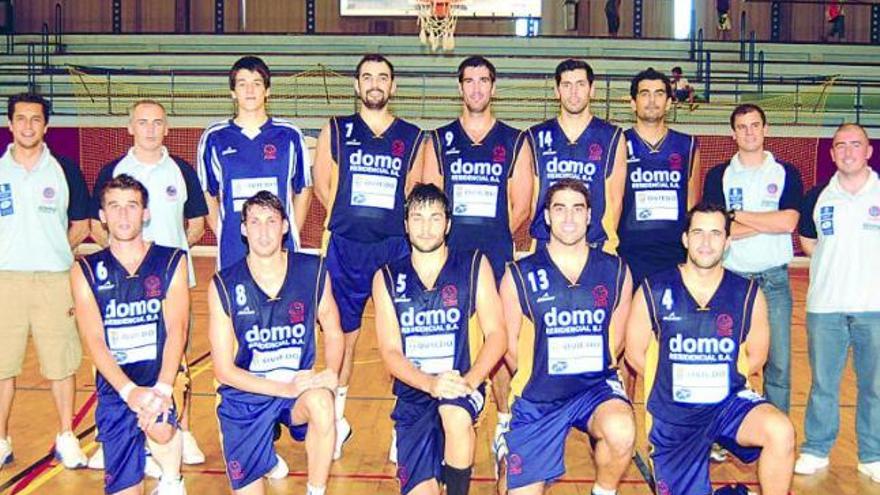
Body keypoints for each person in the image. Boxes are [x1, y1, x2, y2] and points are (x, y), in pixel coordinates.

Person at [625, 202, 795, 495]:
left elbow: (757, 355)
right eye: (698, 232)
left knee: (781, 431)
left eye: (716, 233)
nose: (706, 242)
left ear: (727, 241)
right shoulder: (653, 289)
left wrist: (716, 385)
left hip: (728, 403)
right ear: (685, 239)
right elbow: (634, 352)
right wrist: (678, 385)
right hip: (674, 414)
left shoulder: (748, 293)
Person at [420, 55, 532, 472]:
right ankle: (424, 418)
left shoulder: (513, 140)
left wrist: (491, 235)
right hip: (447, 259)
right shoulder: (439, 139)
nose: (477, 89)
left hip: (496, 255)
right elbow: (430, 196)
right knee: (438, 338)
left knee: (497, 341)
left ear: (493, 87)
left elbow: (521, 205)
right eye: (470, 81)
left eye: (484, 81)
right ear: (460, 87)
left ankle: (503, 419)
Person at [312, 53, 426, 459]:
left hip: (394, 248)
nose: (375, 83)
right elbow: (323, 185)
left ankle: (407, 427)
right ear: (356, 86)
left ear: (393, 86)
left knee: (407, 337)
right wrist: (351, 217)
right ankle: (335, 421)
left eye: (382, 77)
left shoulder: (412, 136)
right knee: (342, 337)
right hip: (345, 246)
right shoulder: (337, 130)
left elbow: (414, 192)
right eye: (367, 76)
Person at [88, 99, 208, 470]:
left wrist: (164, 261)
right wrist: (124, 262)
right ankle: (111, 438)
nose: (151, 129)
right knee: (115, 352)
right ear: (130, 127)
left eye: (157, 123)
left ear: (167, 128)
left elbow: (197, 225)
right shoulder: (114, 170)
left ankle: (181, 430)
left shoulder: (182, 170)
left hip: (169, 282)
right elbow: (97, 223)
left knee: (177, 357)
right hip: (121, 288)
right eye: (143, 122)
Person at [499, 178, 635, 495]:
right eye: (559, 209)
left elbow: (615, 341)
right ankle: (511, 456)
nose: (569, 218)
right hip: (539, 396)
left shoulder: (616, 271)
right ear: (546, 216)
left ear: (590, 216)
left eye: (578, 209)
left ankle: (604, 491)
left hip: (593, 387)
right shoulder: (519, 274)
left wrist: (581, 367)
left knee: (621, 428)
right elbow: (509, 347)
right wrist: (547, 374)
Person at [372, 183, 506, 495]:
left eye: (435, 218)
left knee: (453, 412)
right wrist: (429, 384)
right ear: (406, 225)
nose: (426, 227)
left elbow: (497, 335)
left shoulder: (474, 265)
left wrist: (470, 381)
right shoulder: (387, 277)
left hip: (463, 385)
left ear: (447, 224)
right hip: (414, 392)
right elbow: (390, 352)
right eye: (417, 218)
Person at [208, 190, 344, 495]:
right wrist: (284, 388)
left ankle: (316, 491)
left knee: (322, 402)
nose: (264, 230)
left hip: (296, 393)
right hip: (246, 395)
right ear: (242, 228)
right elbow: (223, 370)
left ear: (285, 225)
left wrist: (331, 372)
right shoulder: (224, 284)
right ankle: (263, 456)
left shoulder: (312, 271)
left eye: (271, 221)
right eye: (254, 222)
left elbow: (333, 331)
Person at [70, 174, 188, 494]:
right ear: (103, 216)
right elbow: (94, 340)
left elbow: (177, 330)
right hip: (116, 388)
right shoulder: (85, 270)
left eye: (132, 206)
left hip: (160, 378)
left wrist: (162, 389)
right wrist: (129, 392)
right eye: (115, 207)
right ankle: (140, 456)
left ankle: (172, 478)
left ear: (145, 213)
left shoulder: (171, 261)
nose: (123, 215)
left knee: (162, 426)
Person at [0, 92, 90, 469]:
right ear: (9, 124)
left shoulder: (65, 169)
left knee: (62, 364)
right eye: (21, 119)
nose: (28, 126)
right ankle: (1, 440)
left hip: (54, 279)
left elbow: (82, 225)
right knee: (2, 365)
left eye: (36, 119)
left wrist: (53, 250)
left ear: (46, 125)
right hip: (5, 280)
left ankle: (66, 436)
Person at [702, 104, 803, 415]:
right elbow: (718, 228)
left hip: (774, 281)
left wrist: (738, 216)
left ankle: (778, 436)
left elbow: (788, 223)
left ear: (765, 129)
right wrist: (764, 221)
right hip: (732, 281)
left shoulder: (786, 172)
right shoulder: (718, 175)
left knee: (779, 365)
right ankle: (721, 434)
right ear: (733, 134)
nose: (749, 132)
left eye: (755, 125)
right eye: (742, 127)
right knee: (726, 361)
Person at [794, 123, 880, 483]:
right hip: (825, 306)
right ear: (831, 154)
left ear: (868, 151)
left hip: (874, 307)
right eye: (840, 146)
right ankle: (816, 448)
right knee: (823, 385)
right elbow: (809, 243)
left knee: (875, 385)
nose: (847, 151)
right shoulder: (817, 196)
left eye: (855, 144)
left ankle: (873, 454)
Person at [197, 55, 312, 271]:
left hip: (281, 245)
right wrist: (225, 231)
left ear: (267, 91)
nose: (250, 90)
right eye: (242, 84)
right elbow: (207, 193)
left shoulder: (289, 135)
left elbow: (303, 188)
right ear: (233, 92)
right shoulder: (214, 137)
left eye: (257, 83)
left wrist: (289, 229)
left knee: (284, 302)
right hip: (234, 245)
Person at [525, 59, 627, 255]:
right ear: (557, 91)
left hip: (596, 245)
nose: (574, 93)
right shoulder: (535, 136)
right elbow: (531, 200)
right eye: (566, 85)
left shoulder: (612, 136)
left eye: (580, 84)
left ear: (592, 89)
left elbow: (615, 201)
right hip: (545, 244)